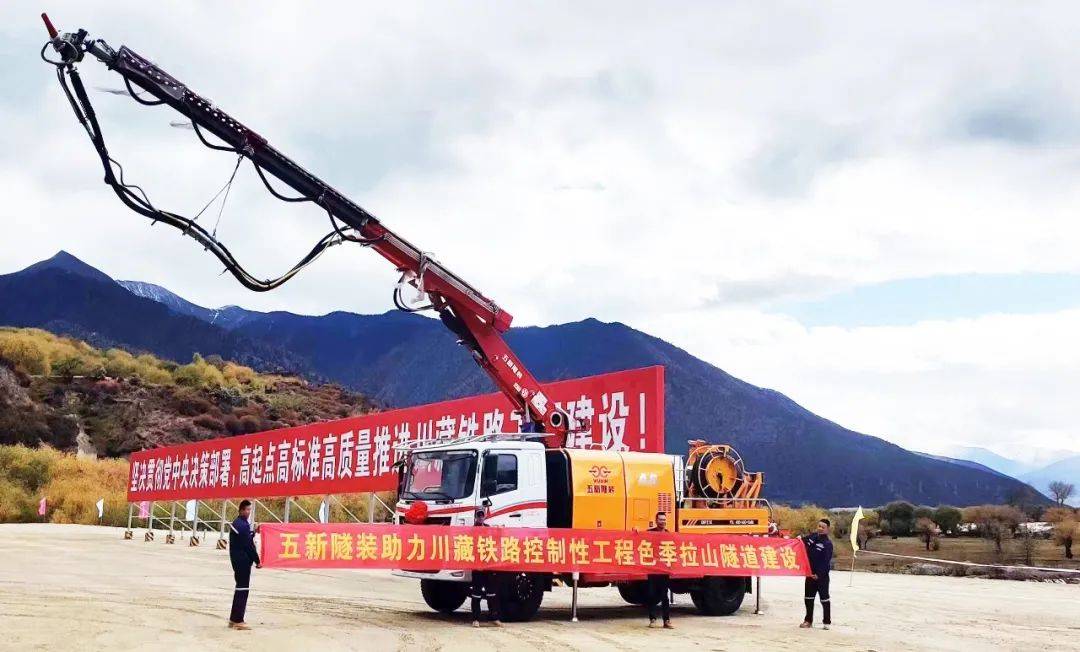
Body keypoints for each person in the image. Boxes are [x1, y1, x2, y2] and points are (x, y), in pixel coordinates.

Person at [228, 499, 261, 630]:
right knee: (242, 590)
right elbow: (248, 546)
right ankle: (238, 620)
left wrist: (253, 532)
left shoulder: (239, 523)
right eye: (246, 510)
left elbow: (246, 538)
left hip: (238, 560)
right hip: (242, 561)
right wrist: (258, 560)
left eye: (249, 510)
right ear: (241, 510)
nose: (248, 512)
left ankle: (233, 618)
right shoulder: (241, 525)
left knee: (240, 589)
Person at [469, 508, 502, 627]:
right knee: (476, 594)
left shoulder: (489, 528)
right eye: (478, 515)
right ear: (475, 517)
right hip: (477, 566)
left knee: (492, 593)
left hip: (488, 565)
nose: (480, 517)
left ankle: (494, 617)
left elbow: (496, 541)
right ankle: (475, 619)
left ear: (485, 516)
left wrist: (499, 531)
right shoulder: (472, 530)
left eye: (482, 515)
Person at [799, 518, 834, 630]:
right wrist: (798, 539)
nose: (820, 529)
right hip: (809, 574)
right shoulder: (813, 537)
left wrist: (818, 574)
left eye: (823, 527)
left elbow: (826, 562)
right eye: (819, 526)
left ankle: (827, 621)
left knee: (824, 599)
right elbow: (801, 542)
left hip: (821, 577)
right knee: (808, 598)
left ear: (827, 529)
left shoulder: (828, 544)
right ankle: (808, 620)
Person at [646, 511, 673, 629]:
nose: (663, 521)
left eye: (664, 519)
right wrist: (635, 530)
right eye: (660, 519)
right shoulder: (650, 533)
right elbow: (638, 538)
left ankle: (666, 620)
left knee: (664, 596)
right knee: (651, 594)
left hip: (663, 570)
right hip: (652, 569)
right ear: (656, 521)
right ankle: (652, 619)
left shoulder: (668, 534)